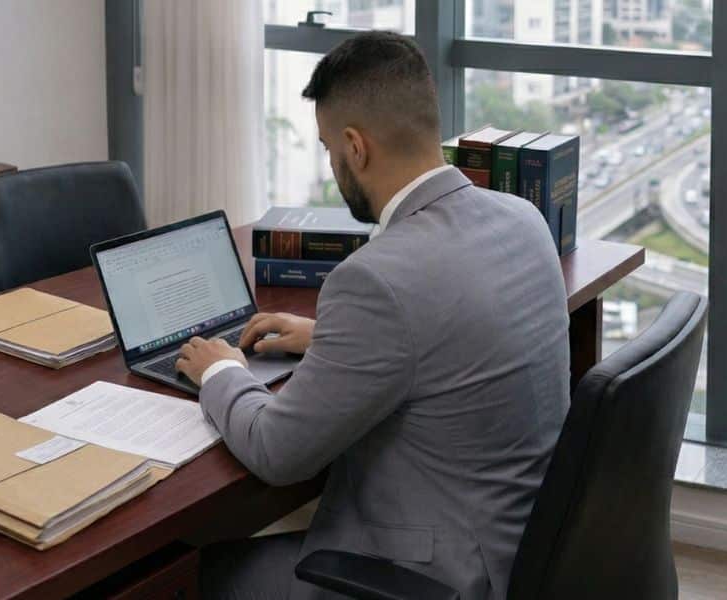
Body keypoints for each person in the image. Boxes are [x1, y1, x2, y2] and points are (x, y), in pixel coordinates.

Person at [176, 31, 570, 600]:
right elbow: (456, 331)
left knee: (185, 579)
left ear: (355, 147)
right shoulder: (522, 218)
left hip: (437, 576)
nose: (332, 161)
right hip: (522, 545)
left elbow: (276, 452)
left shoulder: (375, 281)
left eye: (327, 147)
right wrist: (324, 338)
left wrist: (221, 370)